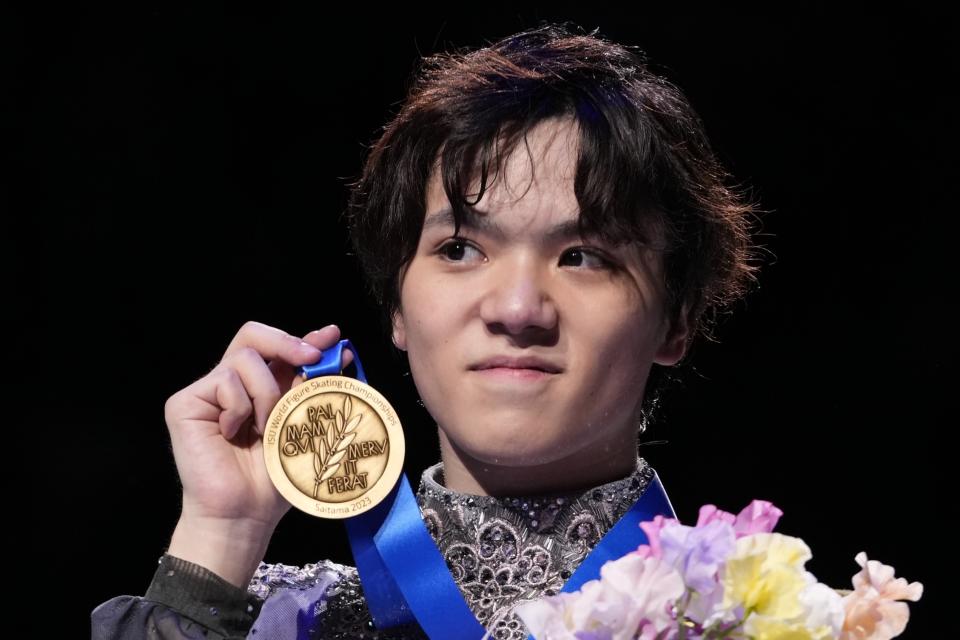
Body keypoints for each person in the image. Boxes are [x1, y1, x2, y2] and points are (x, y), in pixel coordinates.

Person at [91, 21, 761, 640]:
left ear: (678, 319)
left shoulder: (771, 618)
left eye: (582, 257)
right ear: (399, 309)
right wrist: (220, 533)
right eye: (461, 250)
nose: (518, 307)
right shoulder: (283, 624)